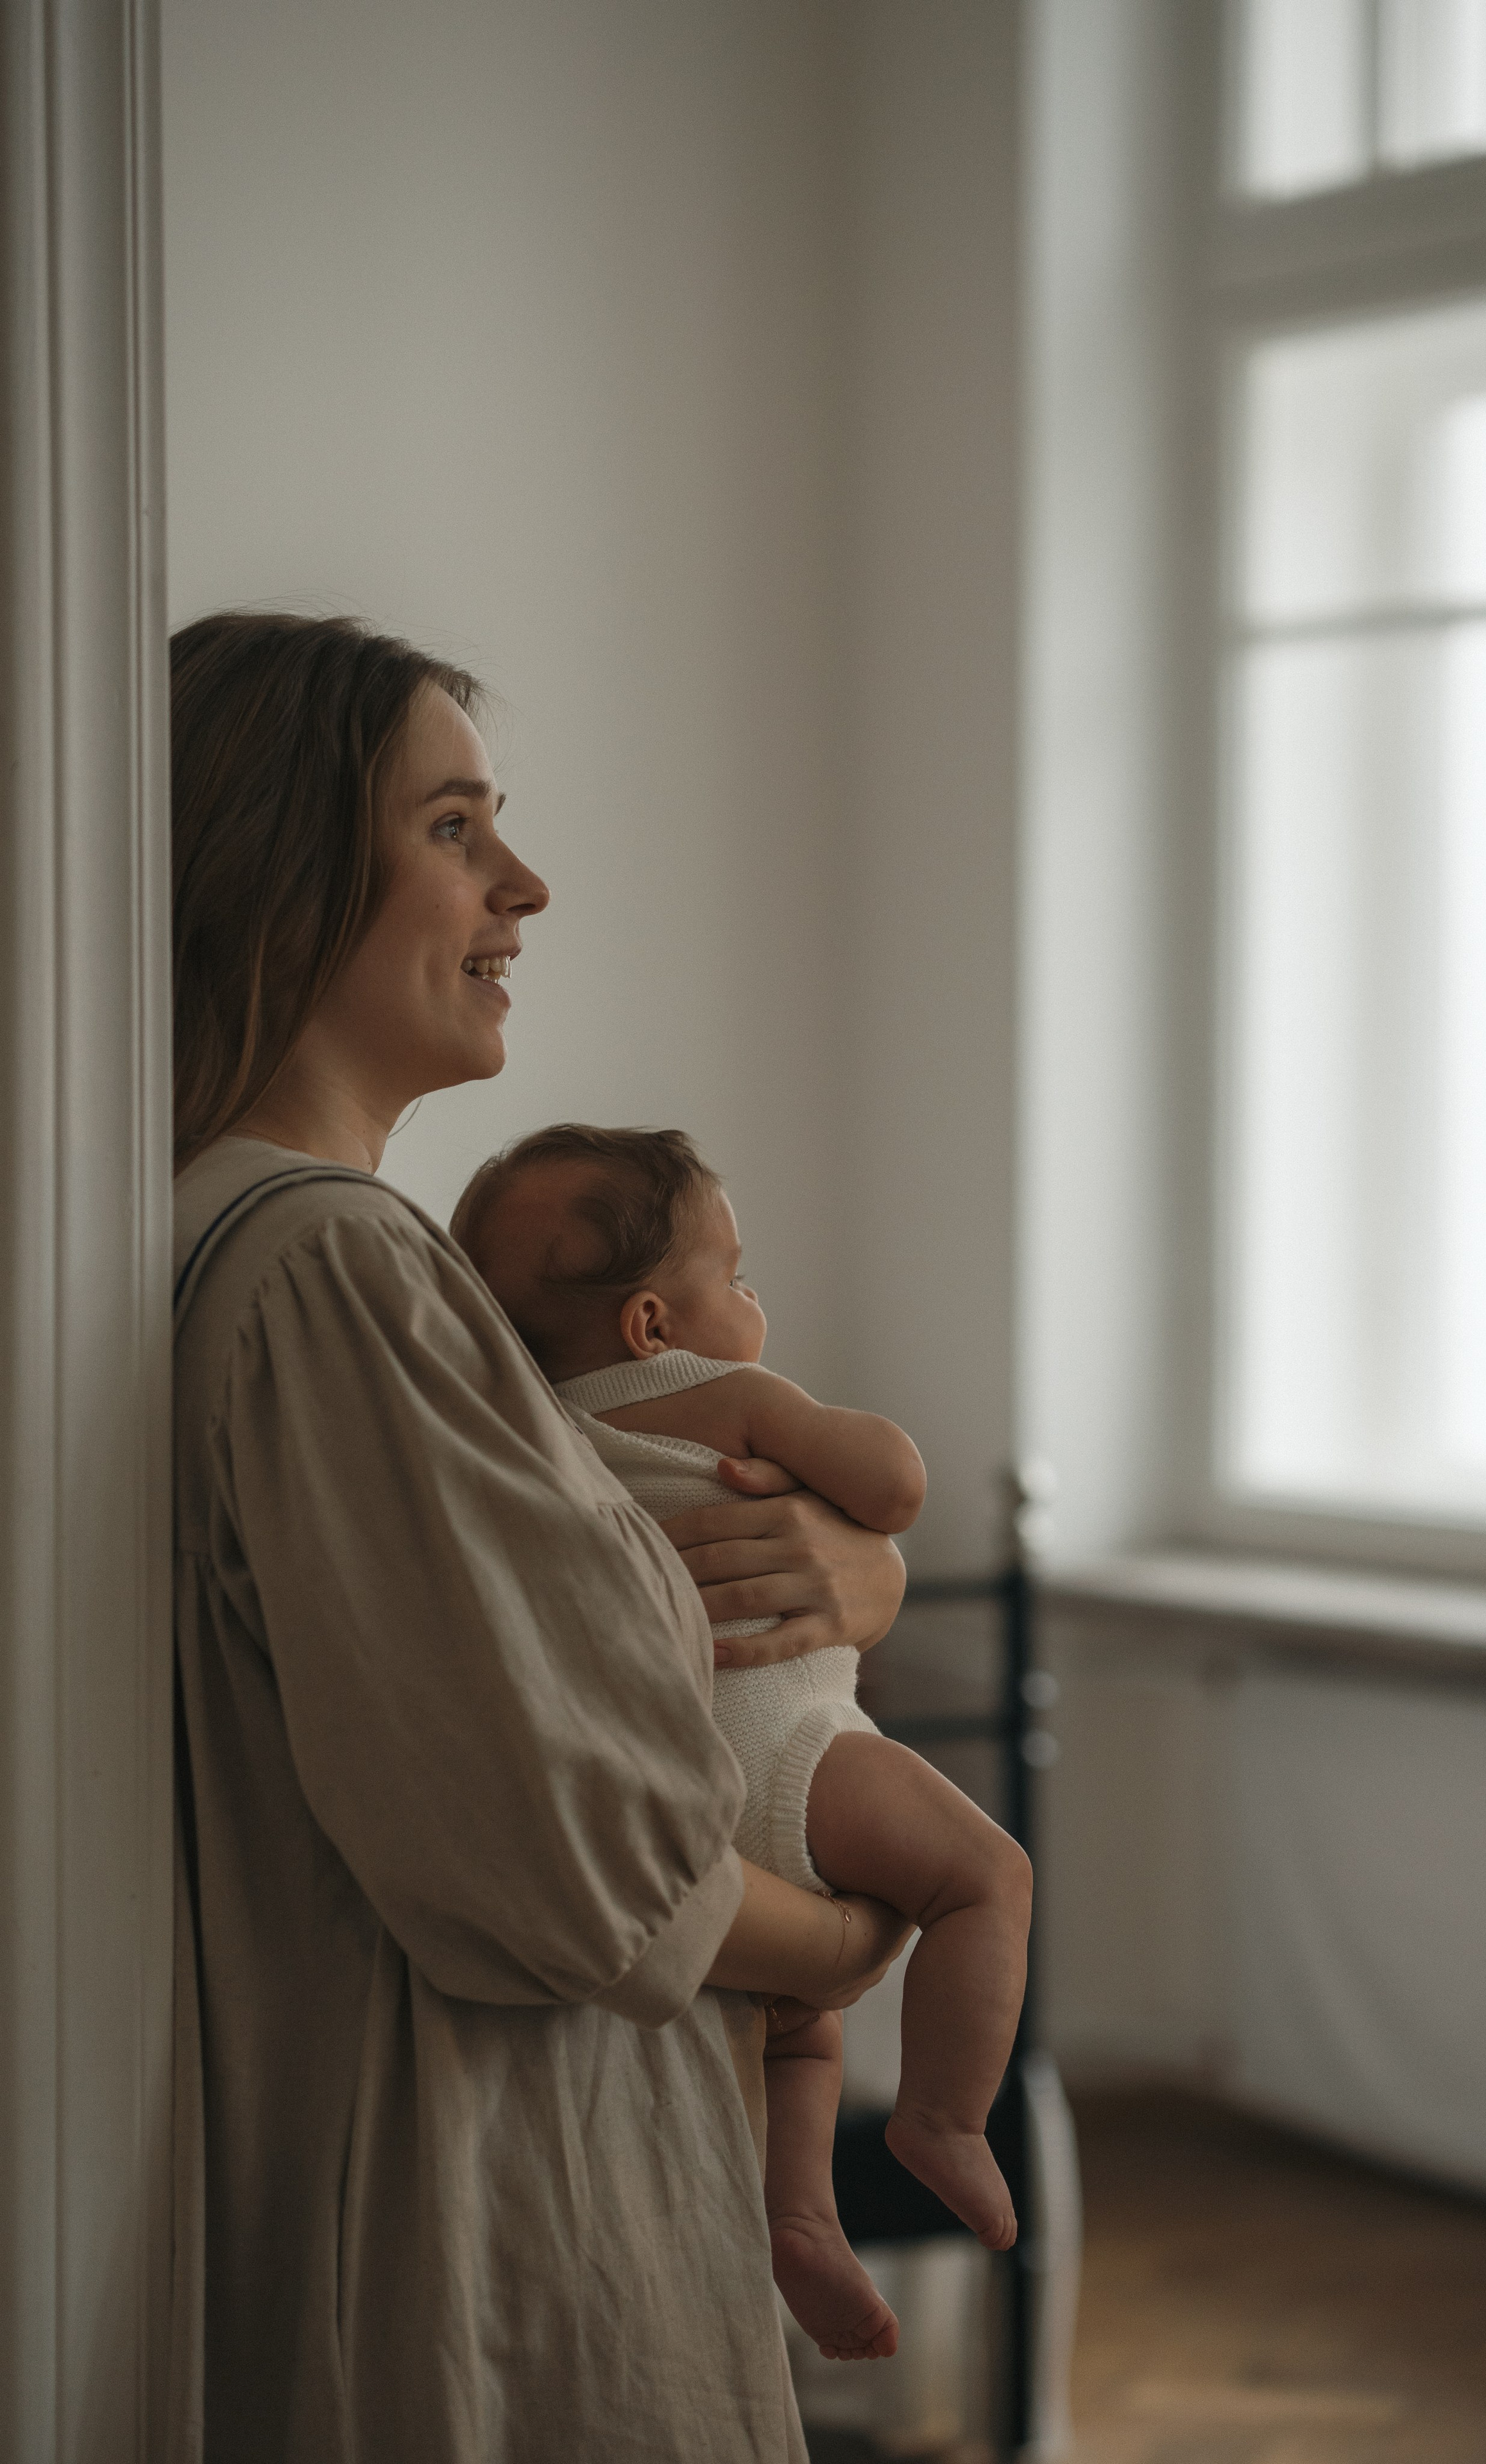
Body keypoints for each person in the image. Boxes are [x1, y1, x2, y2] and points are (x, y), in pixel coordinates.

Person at [168, 610, 912, 2464]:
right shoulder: (330, 1269)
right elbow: (566, 1860)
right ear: (269, 868)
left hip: (523, 2181)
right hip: (498, 2236)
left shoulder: (336, 1255)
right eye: (452, 830)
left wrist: (852, 1578)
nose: (528, 883)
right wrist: (850, 1938)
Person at [449, 1125, 1034, 2365]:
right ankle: (944, 2117)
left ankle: (799, 2217)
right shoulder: (728, 1398)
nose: (756, 1300)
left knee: (793, 2023)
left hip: (683, 1792)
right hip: (794, 1745)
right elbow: (892, 1487)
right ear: (656, 1326)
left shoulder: (528, 1429)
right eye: (741, 1273)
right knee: (991, 1878)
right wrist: (861, 1469)